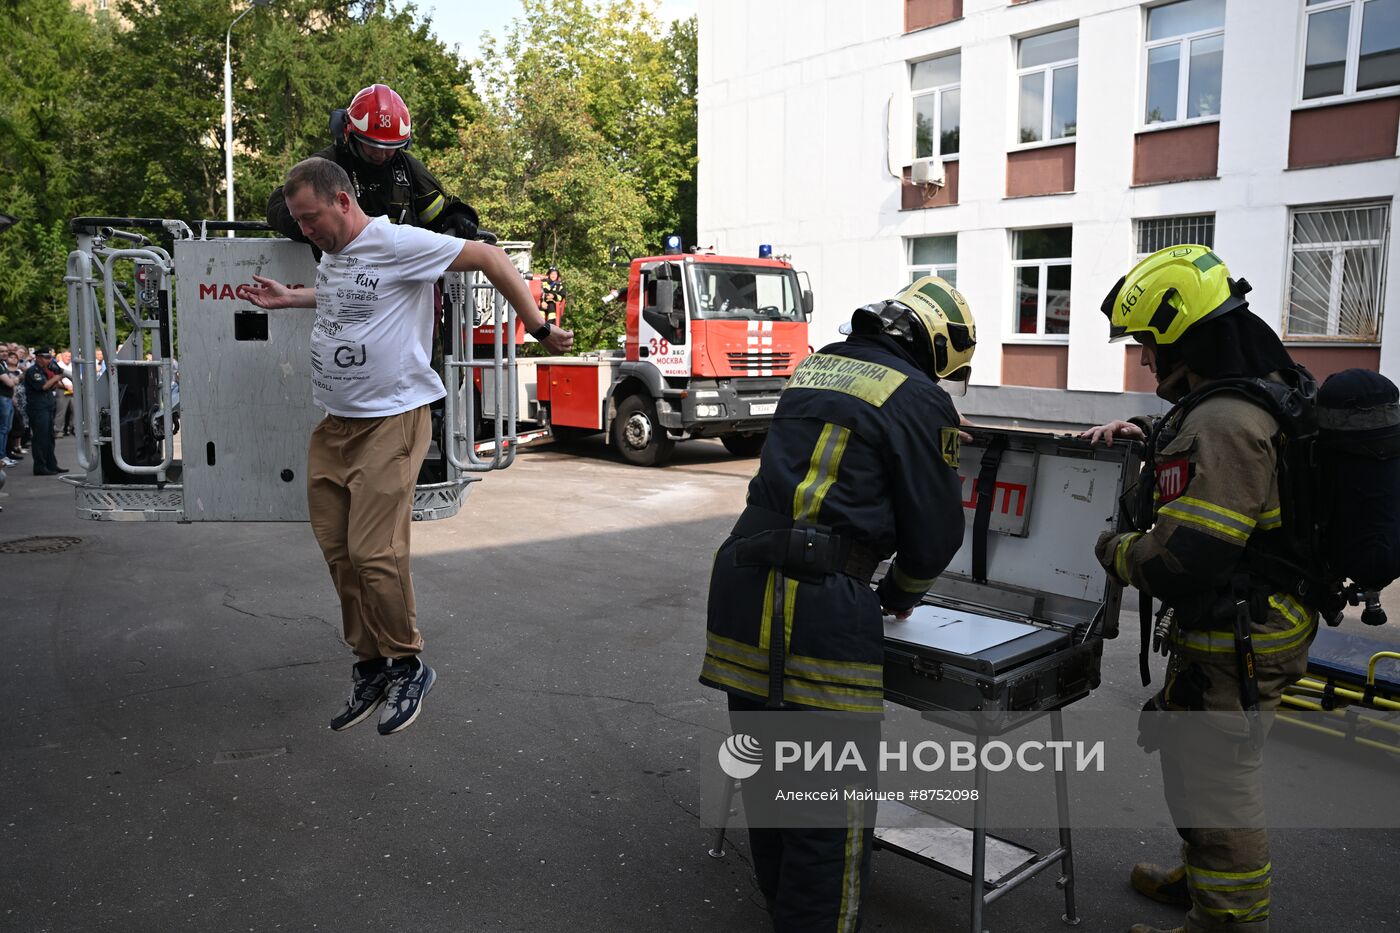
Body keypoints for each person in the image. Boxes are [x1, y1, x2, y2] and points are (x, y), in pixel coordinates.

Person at [239, 157, 574, 736]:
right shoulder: (337, 254)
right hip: (335, 424)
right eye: (298, 222)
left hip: (390, 421)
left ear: (343, 201)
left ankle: (408, 663)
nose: (305, 231)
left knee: (374, 553)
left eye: (311, 218)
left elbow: (490, 257)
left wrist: (539, 327)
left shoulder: (398, 242)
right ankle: (370, 666)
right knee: (339, 555)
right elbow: (346, 300)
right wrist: (292, 297)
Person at [699, 275, 975, 931]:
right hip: (821, 612)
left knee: (772, 793)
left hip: (741, 592)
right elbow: (933, 537)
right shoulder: (920, 396)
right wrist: (897, 595)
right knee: (830, 820)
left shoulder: (816, 365)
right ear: (935, 347)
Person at [1084, 246, 1319, 933]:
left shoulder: (1224, 421)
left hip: (1239, 630)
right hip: (1244, 622)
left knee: (1218, 782)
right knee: (1193, 760)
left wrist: (1111, 549)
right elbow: (1215, 457)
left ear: (1185, 334)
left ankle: (1227, 919)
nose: (1147, 362)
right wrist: (1149, 435)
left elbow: (1184, 558)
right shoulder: (1253, 388)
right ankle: (1203, 875)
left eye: (1150, 346)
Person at [266, 83, 477, 248]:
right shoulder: (326, 166)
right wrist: (323, 231)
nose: (382, 154)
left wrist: (459, 217)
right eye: (372, 146)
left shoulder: (407, 169)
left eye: (391, 147)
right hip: (345, 274)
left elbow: (439, 213)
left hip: (399, 280)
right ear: (349, 133)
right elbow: (279, 206)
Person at [22, 348, 65, 475]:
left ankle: (51, 465)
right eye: (46, 358)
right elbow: (43, 386)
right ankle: (40, 466)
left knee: (49, 437)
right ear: (38, 357)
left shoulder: (44, 371)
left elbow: (50, 386)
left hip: (47, 406)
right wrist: (57, 377)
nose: (48, 360)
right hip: (38, 408)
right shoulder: (33, 371)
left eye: (49, 358)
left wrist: (57, 380)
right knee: (40, 438)